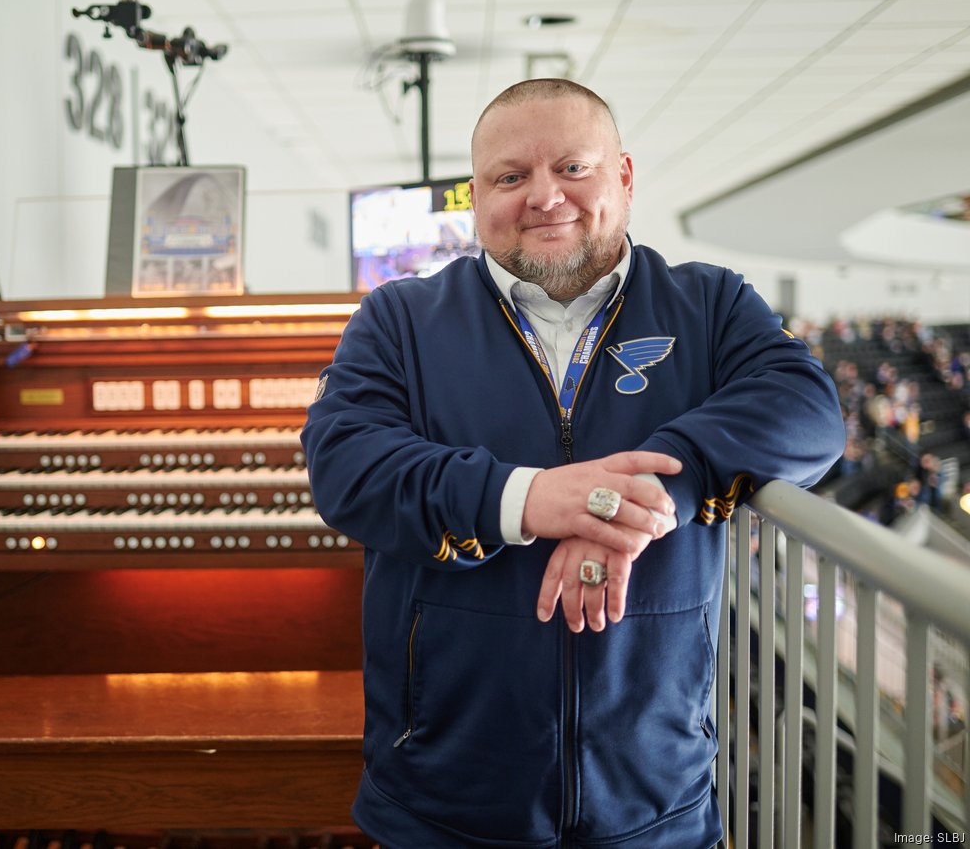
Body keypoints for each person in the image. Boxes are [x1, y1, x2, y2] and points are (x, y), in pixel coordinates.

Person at [301, 78, 845, 849]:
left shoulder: (710, 304)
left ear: (623, 176)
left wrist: (659, 486)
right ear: (476, 197)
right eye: (510, 177)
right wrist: (528, 498)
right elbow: (346, 464)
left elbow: (808, 408)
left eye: (573, 168)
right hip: (444, 796)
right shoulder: (399, 319)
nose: (544, 197)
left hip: (655, 793)